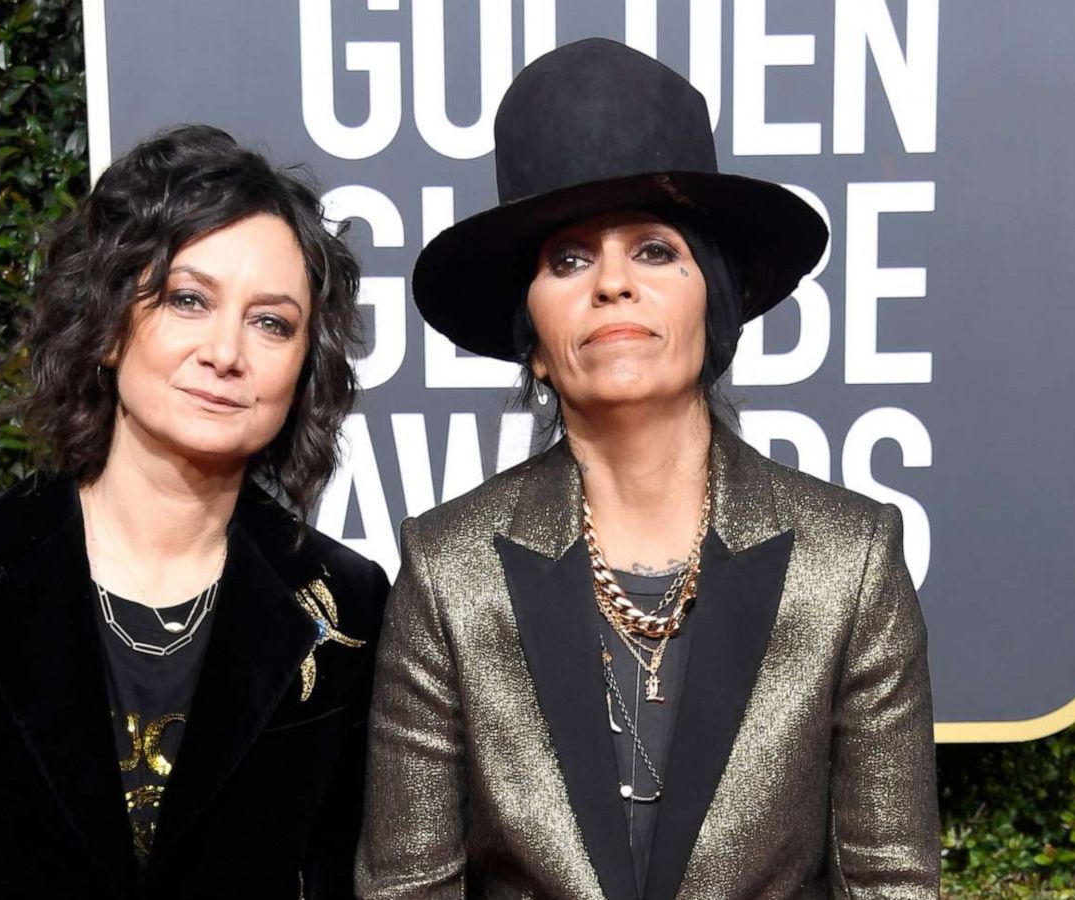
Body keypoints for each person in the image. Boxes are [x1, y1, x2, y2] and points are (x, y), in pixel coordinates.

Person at [358, 39, 939, 900]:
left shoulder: (851, 559)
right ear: (535, 341)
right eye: (569, 259)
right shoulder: (449, 571)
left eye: (655, 250)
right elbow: (408, 889)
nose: (613, 284)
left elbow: (892, 883)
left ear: (716, 301)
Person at [0, 124, 388, 898]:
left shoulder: (345, 599)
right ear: (110, 323)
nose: (226, 352)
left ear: (304, 364)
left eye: (271, 322)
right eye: (188, 299)